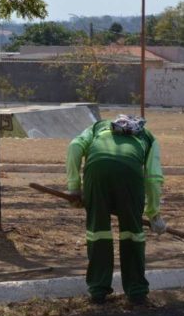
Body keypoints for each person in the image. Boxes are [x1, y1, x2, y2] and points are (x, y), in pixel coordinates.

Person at [66, 114, 166, 305]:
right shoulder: (149, 137)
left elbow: (74, 147)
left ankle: (98, 290)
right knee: (132, 234)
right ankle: (136, 293)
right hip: (130, 176)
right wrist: (154, 215)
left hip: (96, 172)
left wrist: (74, 188)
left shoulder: (98, 127)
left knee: (98, 232)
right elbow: (153, 178)